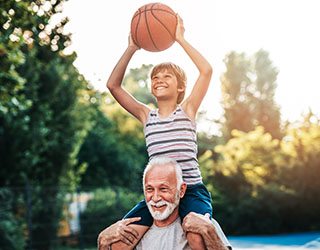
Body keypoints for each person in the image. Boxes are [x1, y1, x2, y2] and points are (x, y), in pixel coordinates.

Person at [107, 14, 213, 250]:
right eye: (155, 77)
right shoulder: (147, 116)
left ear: (181, 87)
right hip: (158, 194)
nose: (159, 79)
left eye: (167, 76)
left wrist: (180, 39)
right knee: (118, 243)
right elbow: (113, 86)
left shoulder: (187, 111)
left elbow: (206, 71)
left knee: (196, 235)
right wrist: (131, 48)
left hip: (192, 191)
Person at [97, 157, 231, 250]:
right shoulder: (129, 231)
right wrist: (102, 242)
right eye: (150, 189)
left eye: (163, 189)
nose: (155, 198)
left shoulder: (203, 224)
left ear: (182, 190)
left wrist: (210, 233)